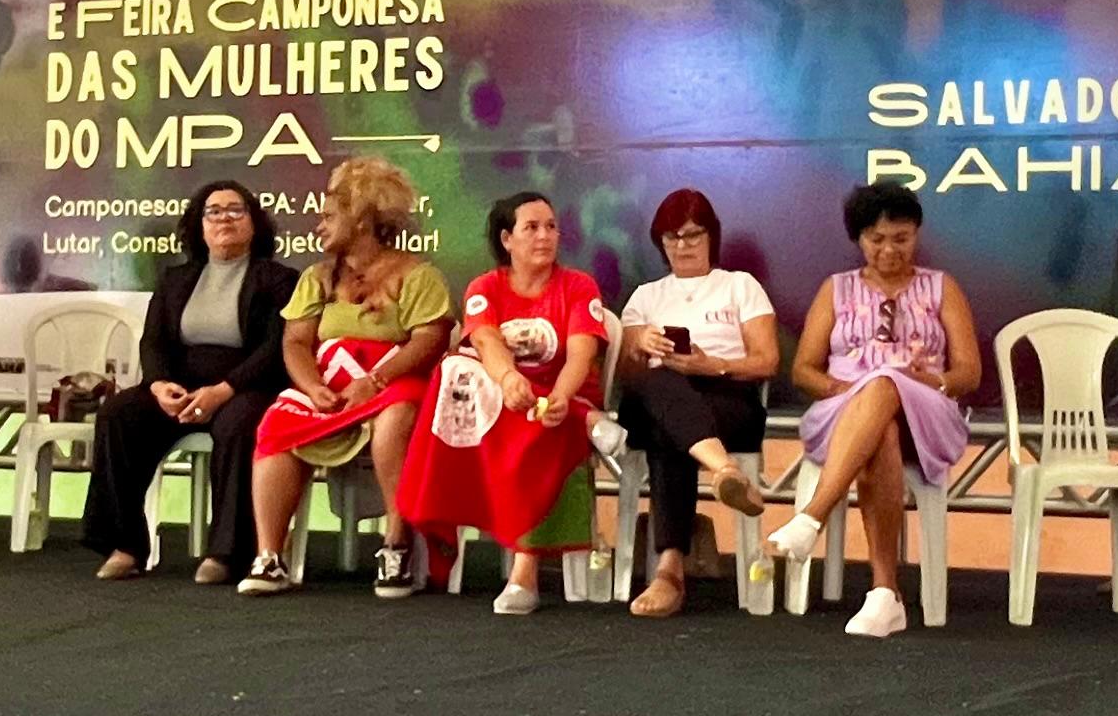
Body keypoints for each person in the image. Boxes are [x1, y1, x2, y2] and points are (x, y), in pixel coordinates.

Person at [765, 180, 982, 640]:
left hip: (926, 409)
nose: (889, 250)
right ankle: (885, 595)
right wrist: (840, 387)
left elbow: (969, 372)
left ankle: (813, 515)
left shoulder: (941, 287)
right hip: (844, 407)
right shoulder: (836, 289)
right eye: (876, 239)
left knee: (885, 383)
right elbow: (803, 369)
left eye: (901, 239)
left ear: (916, 235)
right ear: (858, 239)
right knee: (876, 422)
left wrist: (932, 380)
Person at [242, 156, 451, 599]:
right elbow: (296, 342)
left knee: (397, 416)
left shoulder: (418, 276)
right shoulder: (316, 278)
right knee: (276, 422)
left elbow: (429, 340)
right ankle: (269, 556)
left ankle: (396, 545)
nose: (318, 227)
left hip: (394, 384)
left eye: (327, 217)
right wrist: (312, 386)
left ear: (360, 220)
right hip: (330, 388)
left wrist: (374, 380)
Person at [396, 191, 609, 614]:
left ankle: (524, 572)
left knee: (546, 424)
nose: (545, 236)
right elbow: (486, 341)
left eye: (551, 226)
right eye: (531, 228)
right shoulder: (485, 287)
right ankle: (592, 422)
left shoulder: (578, 285)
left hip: (560, 397)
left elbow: (581, 356)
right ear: (507, 239)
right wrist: (509, 379)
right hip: (500, 399)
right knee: (454, 370)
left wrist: (561, 400)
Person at [80, 180, 297, 583]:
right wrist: (160, 384)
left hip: (244, 385)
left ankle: (228, 553)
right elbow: (154, 339)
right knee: (118, 413)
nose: (224, 219)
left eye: (236, 210)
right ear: (199, 226)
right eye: (213, 212)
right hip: (180, 384)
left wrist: (223, 390)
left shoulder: (278, 279)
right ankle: (126, 545)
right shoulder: (177, 279)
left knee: (240, 425)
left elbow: (274, 348)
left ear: (255, 223)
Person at [612, 188, 778, 619]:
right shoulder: (646, 296)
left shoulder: (739, 286)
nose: (682, 246)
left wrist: (710, 365)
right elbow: (623, 377)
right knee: (658, 382)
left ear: (711, 236)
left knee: (672, 427)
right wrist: (638, 342)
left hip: (727, 400)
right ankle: (724, 470)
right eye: (672, 238)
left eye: (691, 235)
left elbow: (767, 360)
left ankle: (669, 571)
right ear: (660, 243)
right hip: (654, 400)